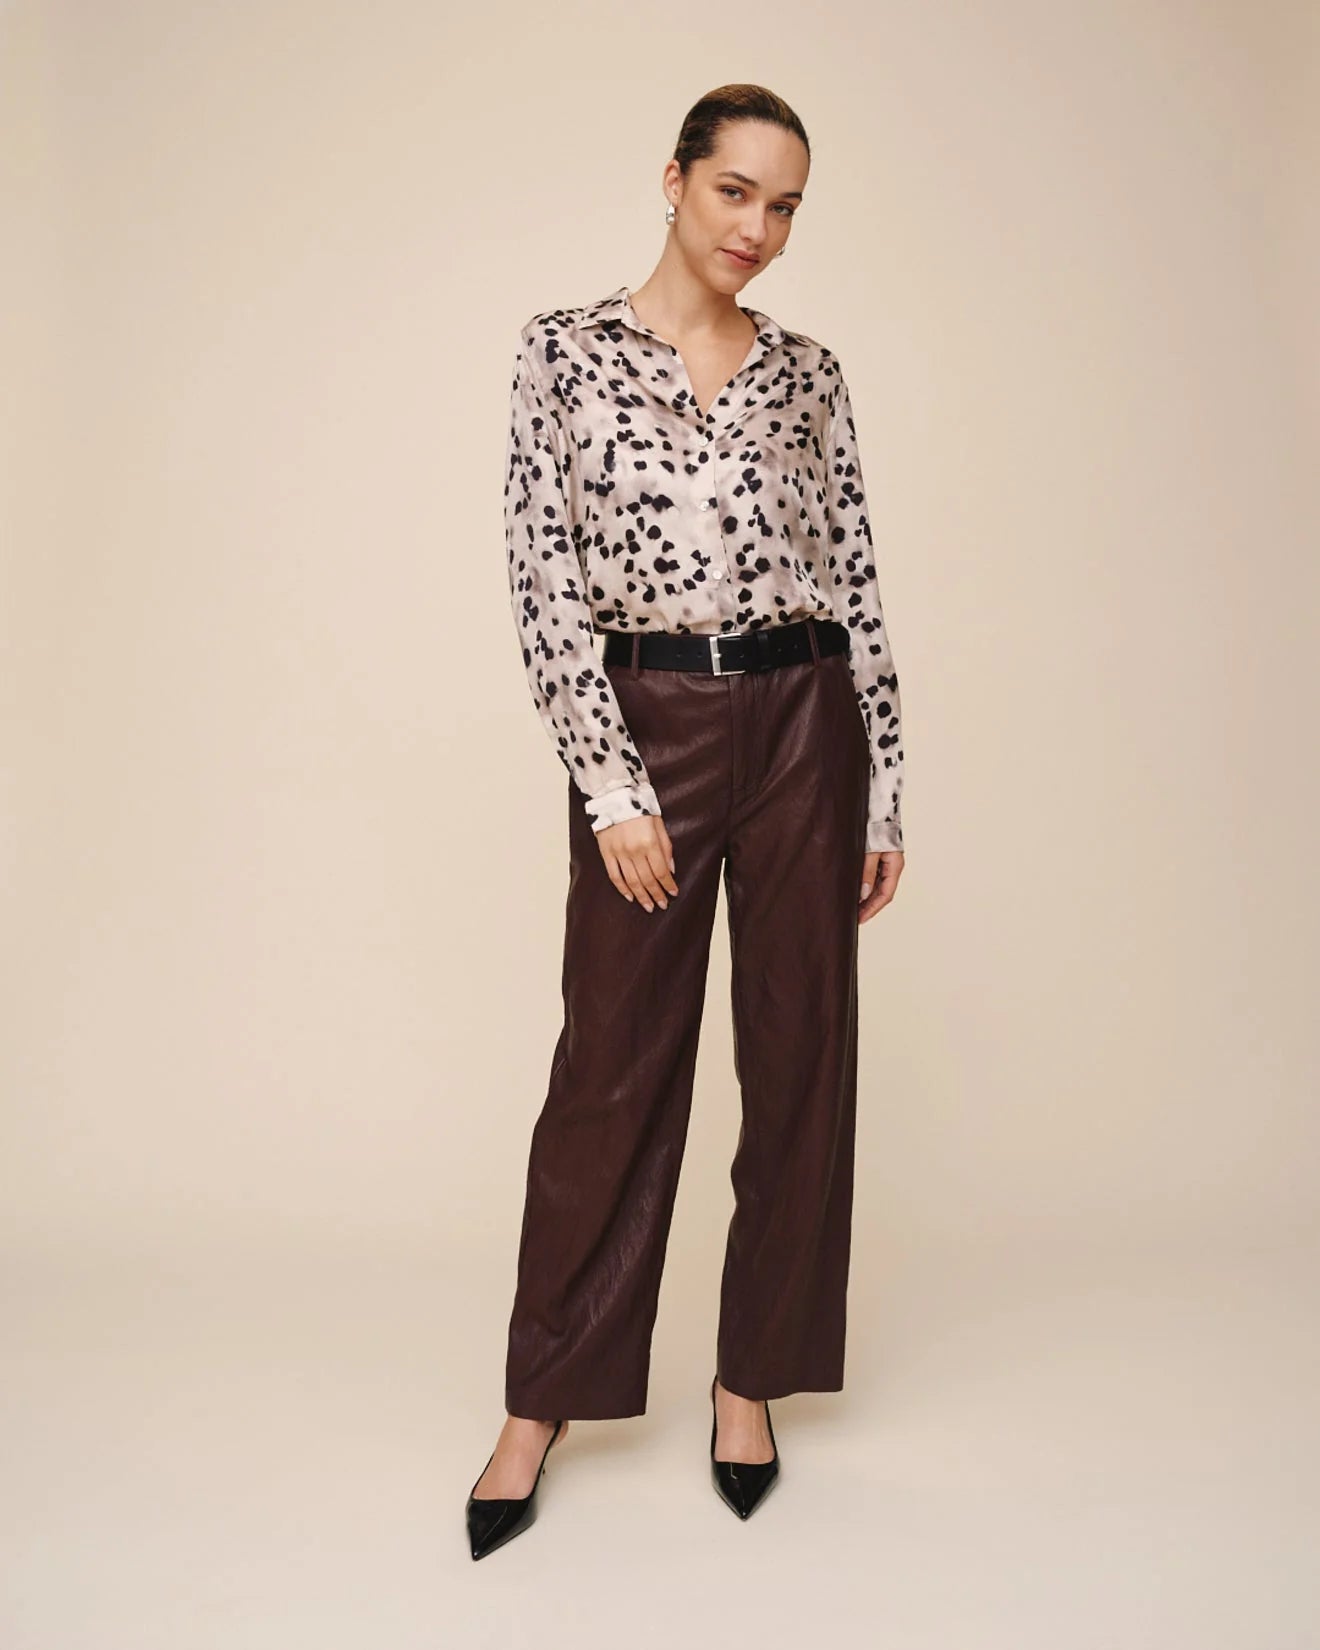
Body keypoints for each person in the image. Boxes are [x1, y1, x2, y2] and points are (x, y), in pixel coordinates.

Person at [466, 82, 905, 1559]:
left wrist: (883, 781)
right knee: (612, 1065)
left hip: (804, 723)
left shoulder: (810, 375)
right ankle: (543, 1399)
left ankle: (748, 1379)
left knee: (801, 1055)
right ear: (673, 181)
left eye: (784, 207)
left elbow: (855, 576)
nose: (758, 230)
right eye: (735, 193)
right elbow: (542, 575)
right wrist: (610, 780)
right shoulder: (564, 354)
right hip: (649, 716)